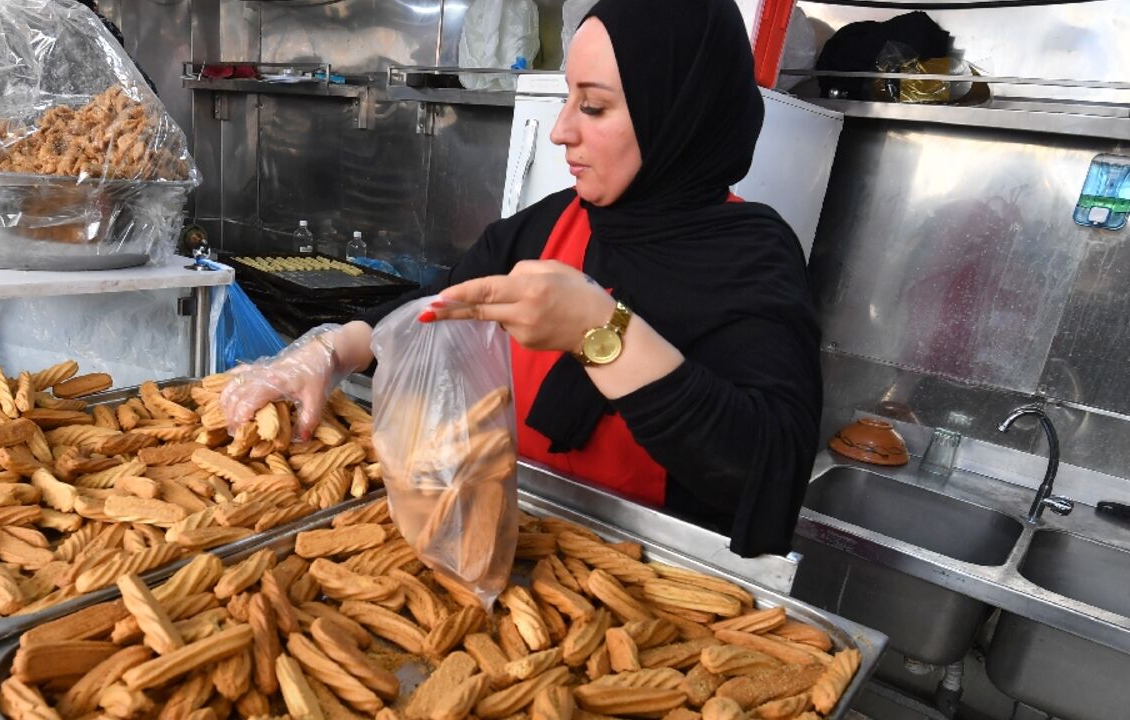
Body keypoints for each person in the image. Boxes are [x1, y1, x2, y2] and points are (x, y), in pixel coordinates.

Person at [222, 0, 822, 557]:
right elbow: (439, 307)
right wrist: (331, 351)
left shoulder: (751, 256)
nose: (561, 130)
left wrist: (600, 333)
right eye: (567, 99)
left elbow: (768, 471)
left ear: (677, 112)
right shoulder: (552, 225)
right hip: (506, 551)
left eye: (593, 106)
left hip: (646, 590)